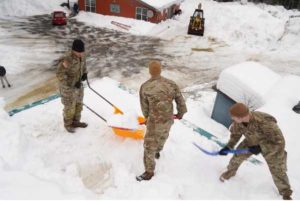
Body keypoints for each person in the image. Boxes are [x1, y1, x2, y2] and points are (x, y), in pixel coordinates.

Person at [219, 103, 293, 200]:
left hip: (272, 146)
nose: (232, 118)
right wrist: (228, 147)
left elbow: (279, 142)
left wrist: (261, 147)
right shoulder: (238, 122)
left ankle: (285, 193)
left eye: (234, 117)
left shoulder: (264, 121)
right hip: (251, 140)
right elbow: (235, 135)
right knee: (237, 156)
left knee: (278, 170)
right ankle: (230, 172)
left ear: (242, 117)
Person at [136, 60, 187, 181]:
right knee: (163, 136)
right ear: (160, 70)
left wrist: (148, 118)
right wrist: (180, 113)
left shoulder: (145, 87)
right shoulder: (171, 84)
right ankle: (158, 151)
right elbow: (181, 101)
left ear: (149, 71)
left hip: (154, 122)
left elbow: (145, 107)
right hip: (168, 119)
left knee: (149, 146)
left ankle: (149, 172)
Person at [56, 39, 88, 133]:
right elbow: (60, 74)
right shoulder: (67, 59)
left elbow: (84, 65)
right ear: (73, 50)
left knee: (79, 104)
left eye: (82, 52)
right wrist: (71, 84)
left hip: (79, 86)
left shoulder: (82, 55)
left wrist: (84, 73)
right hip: (68, 88)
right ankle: (68, 124)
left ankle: (76, 121)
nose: (81, 54)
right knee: (70, 106)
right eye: (79, 52)